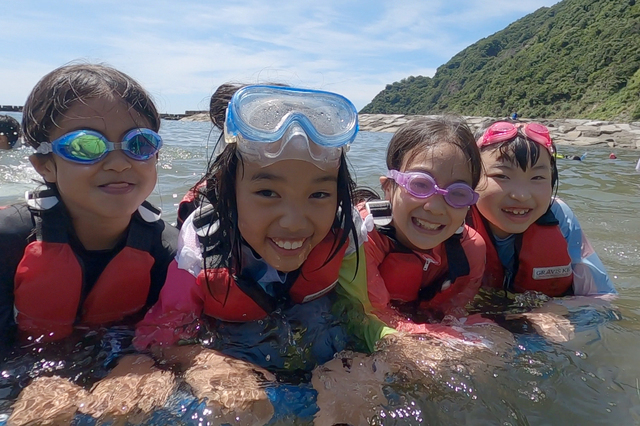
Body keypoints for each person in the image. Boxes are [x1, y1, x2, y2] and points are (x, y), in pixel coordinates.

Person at [133, 84, 388, 422]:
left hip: (324, 341)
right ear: (229, 190)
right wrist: (203, 361)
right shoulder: (203, 241)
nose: (294, 223)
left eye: (319, 195)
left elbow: (369, 312)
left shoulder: (347, 229)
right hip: (236, 345)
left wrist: (366, 357)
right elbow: (160, 336)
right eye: (267, 192)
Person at [0, 64, 179, 355]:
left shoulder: (166, 250)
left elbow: (166, 338)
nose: (119, 163)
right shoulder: (8, 239)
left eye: (139, 144)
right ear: (45, 165)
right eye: (86, 146)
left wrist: (140, 365)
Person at [357, 116, 486, 324]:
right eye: (420, 184)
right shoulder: (364, 235)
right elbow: (370, 317)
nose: (434, 208)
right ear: (388, 187)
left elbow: (455, 313)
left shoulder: (470, 249)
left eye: (458, 193)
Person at [469, 121, 616, 296]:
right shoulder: (451, 216)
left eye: (537, 177)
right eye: (502, 176)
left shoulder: (559, 216)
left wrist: (557, 309)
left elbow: (604, 299)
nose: (522, 195)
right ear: (471, 177)